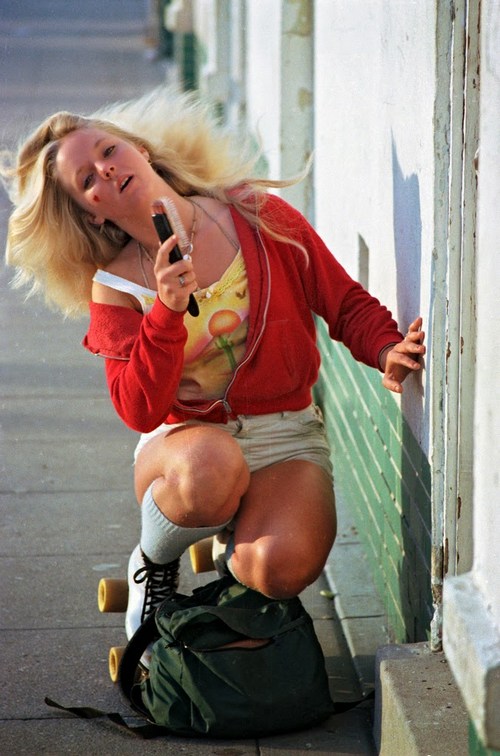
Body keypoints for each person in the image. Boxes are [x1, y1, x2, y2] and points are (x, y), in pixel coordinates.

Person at [1, 87, 425, 647]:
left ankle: (233, 556)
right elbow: (137, 407)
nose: (105, 172)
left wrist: (385, 349)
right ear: (91, 210)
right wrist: (166, 316)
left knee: (279, 568)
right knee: (210, 469)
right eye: (87, 181)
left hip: (286, 432)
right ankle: (155, 560)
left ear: (140, 150)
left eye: (108, 151)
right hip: (186, 442)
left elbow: (340, 298)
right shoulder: (117, 286)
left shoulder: (254, 215)